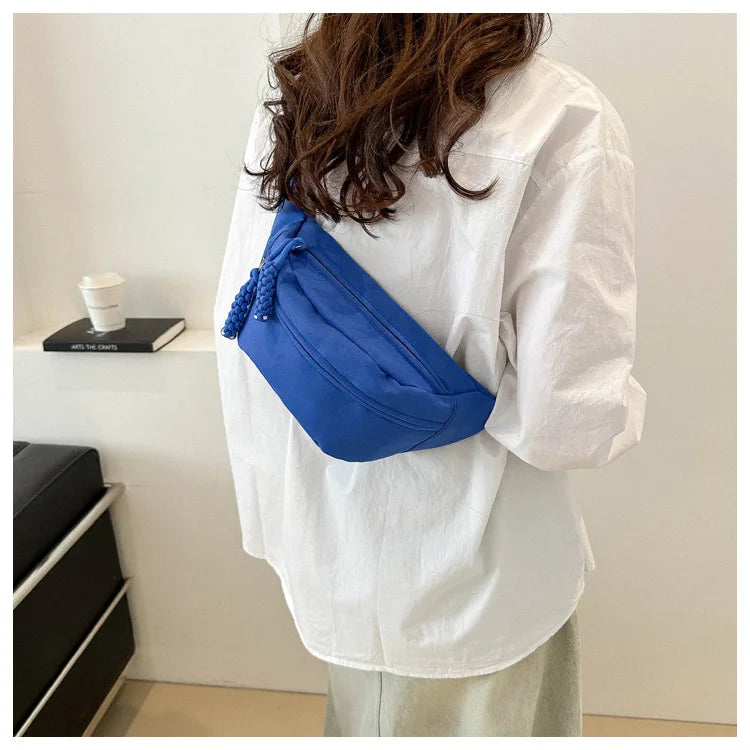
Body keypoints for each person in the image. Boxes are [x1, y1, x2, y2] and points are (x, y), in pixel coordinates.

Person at [213, 13, 647, 737]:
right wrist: (622, 409)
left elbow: (245, 317)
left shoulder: (302, 96)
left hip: (334, 549)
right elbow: (565, 423)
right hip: (482, 570)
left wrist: (272, 525)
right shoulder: (560, 117)